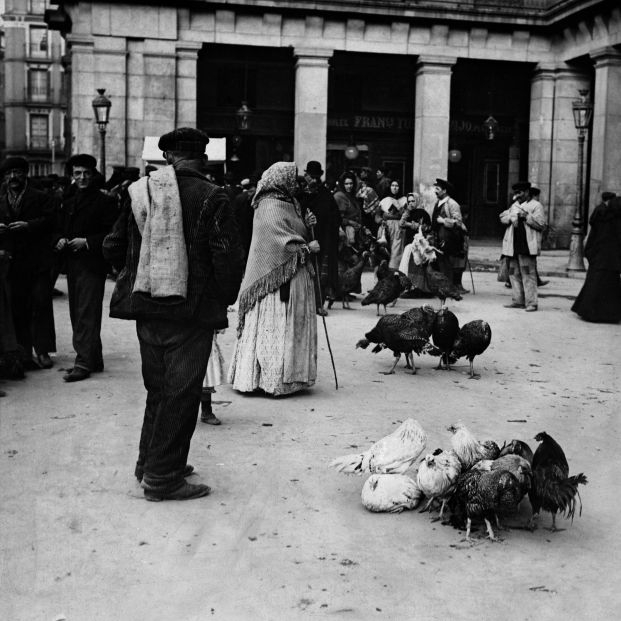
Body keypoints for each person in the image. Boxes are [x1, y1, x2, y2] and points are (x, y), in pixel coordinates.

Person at [103, 127, 244, 501]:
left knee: (159, 390)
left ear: (167, 157)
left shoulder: (141, 190)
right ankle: (163, 477)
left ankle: (148, 463)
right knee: (181, 394)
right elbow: (227, 258)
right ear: (205, 157)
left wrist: (136, 276)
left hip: (146, 308)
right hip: (191, 312)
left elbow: (113, 245)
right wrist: (221, 300)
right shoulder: (214, 196)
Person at [228, 161, 319, 396]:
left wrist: (307, 227)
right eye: (292, 178)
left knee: (285, 327)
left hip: (293, 276)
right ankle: (268, 380)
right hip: (274, 283)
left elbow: (294, 233)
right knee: (272, 326)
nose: (296, 183)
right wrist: (308, 247)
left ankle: (290, 377)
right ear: (281, 180)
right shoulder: (268, 206)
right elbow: (283, 245)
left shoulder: (290, 204)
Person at [54, 154, 118, 381]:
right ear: (72, 176)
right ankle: (94, 359)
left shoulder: (105, 202)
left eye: (86, 173)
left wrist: (88, 242)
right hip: (73, 264)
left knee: (86, 313)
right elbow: (60, 227)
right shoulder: (69, 201)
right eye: (77, 174)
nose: (82, 178)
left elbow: (113, 234)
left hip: (92, 264)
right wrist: (61, 239)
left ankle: (83, 363)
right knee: (77, 313)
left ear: (93, 175)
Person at [0, 157, 57, 370]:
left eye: (17, 172)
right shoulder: (1, 200)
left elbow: (52, 222)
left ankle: (42, 351)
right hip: (11, 264)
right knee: (17, 307)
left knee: (41, 304)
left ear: (26, 174)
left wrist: (29, 225)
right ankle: (23, 352)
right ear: (5, 178)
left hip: (38, 262)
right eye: (9, 174)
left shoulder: (42, 198)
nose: (13, 177)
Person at [571, 192, 621, 323]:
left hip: (598, 257)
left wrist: (590, 254)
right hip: (611, 260)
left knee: (594, 284)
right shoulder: (615, 221)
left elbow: (593, 238)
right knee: (608, 287)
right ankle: (606, 315)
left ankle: (588, 311)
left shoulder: (600, 216)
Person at [300, 160, 341, 315]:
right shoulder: (302, 192)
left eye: (308, 175)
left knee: (319, 274)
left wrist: (320, 224)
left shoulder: (325, 195)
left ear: (314, 177)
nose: (305, 177)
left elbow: (335, 217)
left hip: (322, 239)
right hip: (304, 238)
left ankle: (319, 303)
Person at [499, 180, 545, 312]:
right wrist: (510, 218)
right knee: (514, 274)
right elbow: (502, 217)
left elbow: (541, 225)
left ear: (526, 192)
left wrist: (526, 217)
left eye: (519, 193)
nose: (517, 195)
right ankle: (518, 300)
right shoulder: (514, 206)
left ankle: (531, 303)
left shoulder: (536, 206)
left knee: (528, 274)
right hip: (512, 247)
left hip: (527, 246)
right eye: (515, 193)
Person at [431, 178, 467, 287]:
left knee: (446, 263)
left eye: (437, 189)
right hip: (438, 236)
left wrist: (443, 221)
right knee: (439, 262)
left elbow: (459, 222)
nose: (435, 191)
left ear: (444, 190)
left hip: (448, 238)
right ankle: (441, 286)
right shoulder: (438, 202)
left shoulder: (452, 204)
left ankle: (448, 287)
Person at [379, 179, 407, 270]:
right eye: (393, 185)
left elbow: (406, 215)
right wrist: (381, 220)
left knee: (396, 252)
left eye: (397, 186)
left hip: (398, 228)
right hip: (385, 228)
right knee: (384, 251)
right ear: (389, 187)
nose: (395, 188)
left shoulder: (404, 200)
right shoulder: (384, 200)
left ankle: (394, 272)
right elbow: (376, 216)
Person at [333, 171, 362, 249]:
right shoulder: (339, 196)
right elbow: (335, 218)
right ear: (342, 184)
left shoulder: (352, 196)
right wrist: (350, 222)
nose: (349, 186)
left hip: (355, 234)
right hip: (343, 237)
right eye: (346, 184)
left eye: (351, 183)